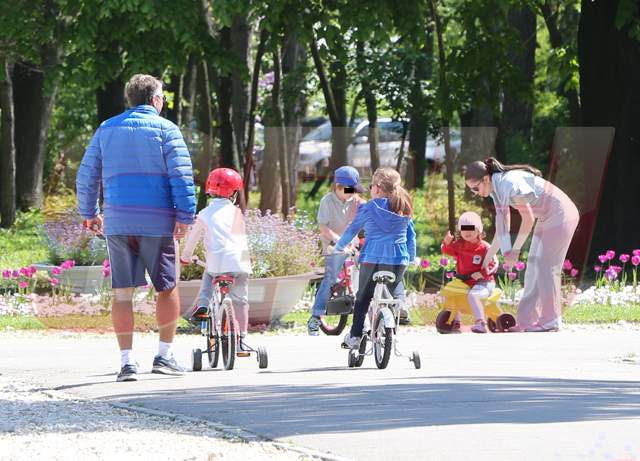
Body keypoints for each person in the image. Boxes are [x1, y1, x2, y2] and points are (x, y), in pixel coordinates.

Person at [76, 74, 196, 382]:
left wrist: (90, 212)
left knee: (122, 294)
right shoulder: (167, 130)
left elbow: (87, 175)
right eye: (163, 98)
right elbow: (181, 176)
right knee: (167, 289)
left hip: (118, 222)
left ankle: (127, 363)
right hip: (157, 223)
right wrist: (185, 216)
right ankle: (164, 356)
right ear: (155, 100)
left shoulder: (106, 129)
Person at [465, 157, 579, 332]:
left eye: (475, 188)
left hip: (561, 213)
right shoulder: (497, 190)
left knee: (545, 266)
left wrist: (515, 250)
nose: (475, 192)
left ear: (486, 179)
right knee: (533, 266)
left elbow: (528, 219)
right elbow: (502, 228)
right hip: (547, 216)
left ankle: (551, 320)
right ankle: (526, 322)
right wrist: (488, 258)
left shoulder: (509, 184)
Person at [334, 168, 416, 348]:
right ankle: (399, 305)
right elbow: (411, 235)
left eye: (371, 186)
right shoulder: (404, 206)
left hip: (372, 258)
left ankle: (355, 336)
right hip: (398, 257)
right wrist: (412, 256)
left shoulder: (369, 207)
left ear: (377, 189)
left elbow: (352, 229)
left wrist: (338, 247)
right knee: (395, 285)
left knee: (363, 297)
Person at [179, 168, 252, 349]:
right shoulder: (237, 214)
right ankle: (242, 339)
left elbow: (192, 240)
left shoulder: (204, 214)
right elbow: (241, 241)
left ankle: (203, 305)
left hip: (216, 264)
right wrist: (246, 264)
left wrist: (185, 257)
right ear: (233, 193)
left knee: (209, 276)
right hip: (240, 264)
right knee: (241, 301)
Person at [307, 166, 365, 336]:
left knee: (364, 275)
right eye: (348, 189)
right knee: (330, 277)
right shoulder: (327, 201)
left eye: (353, 189)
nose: (351, 193)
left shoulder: (356, 201)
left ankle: (365, 317)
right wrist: (340, 241)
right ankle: (316, 316)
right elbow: (323, 228)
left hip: (351, 245)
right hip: (333, 244)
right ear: (337, 187)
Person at [441, 211, 498, 333]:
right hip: (465, 281)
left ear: (478, 230)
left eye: (471, 229)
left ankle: (481, 322)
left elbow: (494, 264)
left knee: (474, 295)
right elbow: (447, 251)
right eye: (463, 229)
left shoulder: (485, 247)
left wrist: (482, 273)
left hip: (484, 282)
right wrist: (447, 242)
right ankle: (455, 321)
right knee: (452, 292)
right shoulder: (460, 245)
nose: (467, 232)